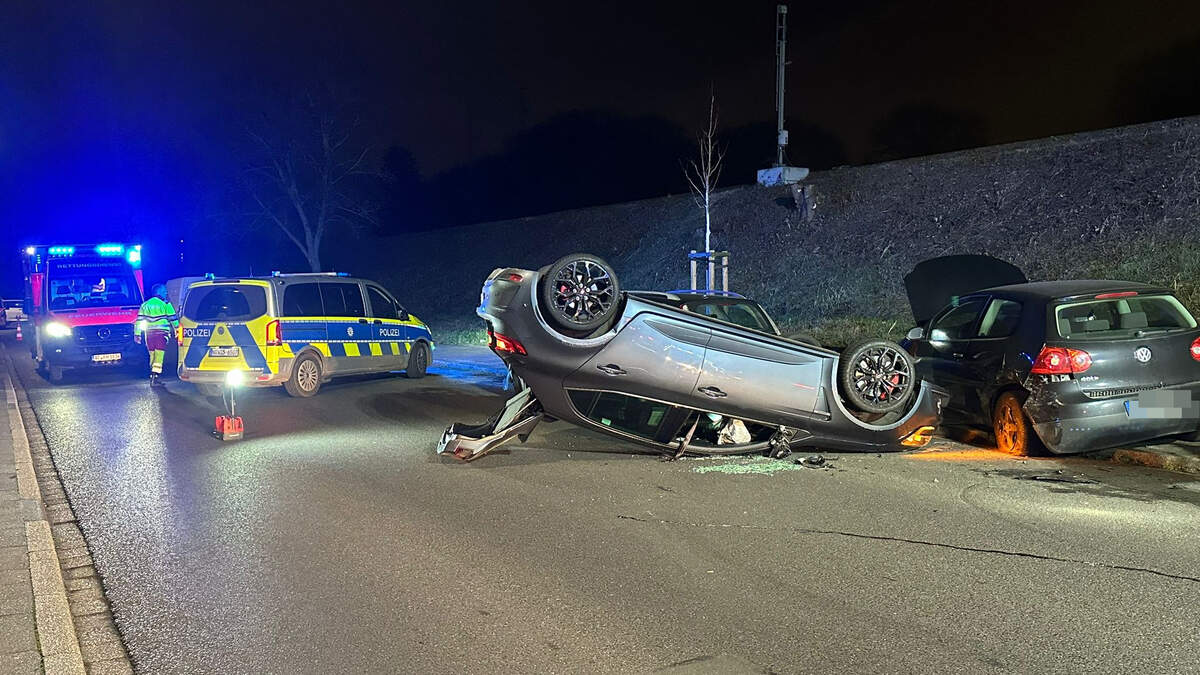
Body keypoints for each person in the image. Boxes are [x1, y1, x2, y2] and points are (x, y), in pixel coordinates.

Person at [135, 284, 178, 387]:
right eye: (164, 291)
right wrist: (177, 329)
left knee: (152, 354)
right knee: (159, 354)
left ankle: (152, 374)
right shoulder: (165, 304)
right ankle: (156, 376)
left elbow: (139, 321)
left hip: (149, 334)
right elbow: (173, 318)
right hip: (161, 333)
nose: (166, 293)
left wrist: (137, 334)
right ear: (158, 292)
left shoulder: (145, 305)